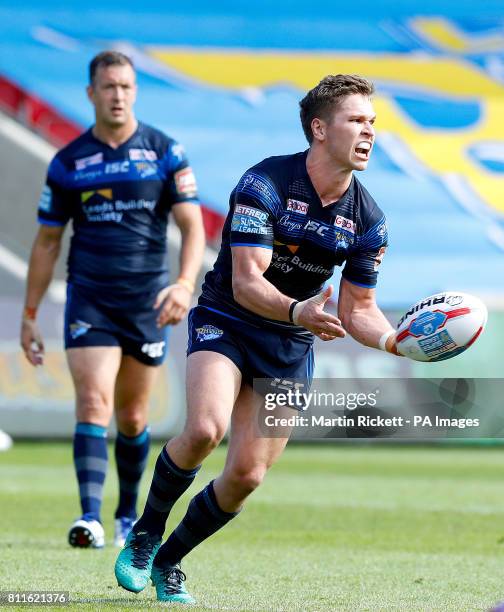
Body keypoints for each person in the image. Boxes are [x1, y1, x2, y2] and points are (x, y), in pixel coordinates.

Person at [115, 74, 400, 603]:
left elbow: (360, 307)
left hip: (289, 344)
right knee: (203, 428)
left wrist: (393, 342)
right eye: (357, 121)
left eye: (373, 123)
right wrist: (300, 311)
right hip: (229, 318)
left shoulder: (370, 219)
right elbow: (248, 282)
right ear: (319, 128)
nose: (369, 133)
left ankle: (170, 560)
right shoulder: (264, 184)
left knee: (246, 474)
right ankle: (146, 533)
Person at [20, 50, 205, 550]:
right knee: (93, 402)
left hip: (148, 302)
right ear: (90, 94)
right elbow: (47, 242)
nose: (117, 95)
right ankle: (89, 517)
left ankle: (126, 514)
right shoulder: (69, 161)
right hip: (90, 300)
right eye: (108, 87)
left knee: (133, 417)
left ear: (135, 91)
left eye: (125, 86)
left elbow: (192, 228)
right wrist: (31, 314)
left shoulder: (165, 151)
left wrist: (184, 285)